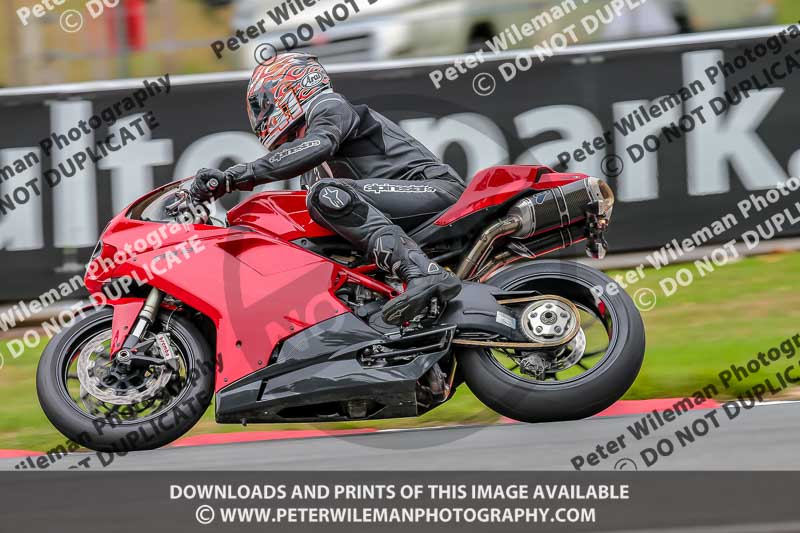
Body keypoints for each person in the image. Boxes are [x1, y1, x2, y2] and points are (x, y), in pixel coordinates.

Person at [190, 53, 463, 325]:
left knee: (325, 194)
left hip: (433, 190)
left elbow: (320, 144)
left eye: (263, 104)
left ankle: (422, 271)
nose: (260, 116)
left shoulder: (328, 105)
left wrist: (236, 176)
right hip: (399, 203)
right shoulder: (311, 170)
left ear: (291, 88)